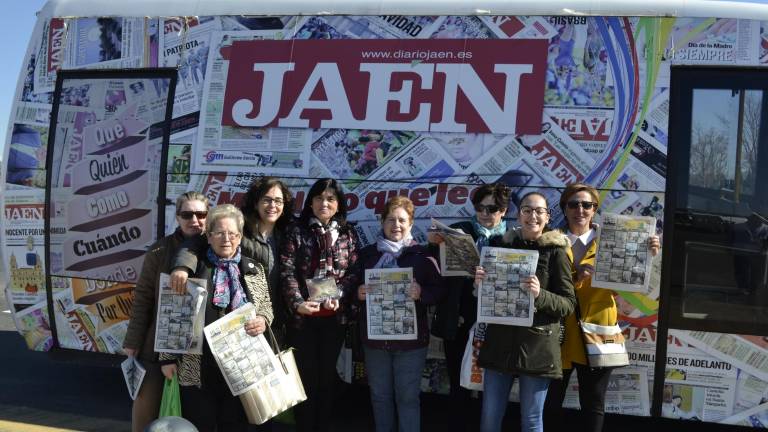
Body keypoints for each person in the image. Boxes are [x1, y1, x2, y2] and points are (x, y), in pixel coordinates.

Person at [545, 183, 660, 432]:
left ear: (595, 209)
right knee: (551, 403)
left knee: (594, 404)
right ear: (564, 208)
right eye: (573, 204)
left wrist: (646, 255)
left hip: (599, 329)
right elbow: (543, 287)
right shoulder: (551, 242)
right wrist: (575, 277)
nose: (580, 210)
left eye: (587, 205)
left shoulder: (616, 238)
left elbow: (634, 283)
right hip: (560, 331)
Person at [160, 204, 273, 432]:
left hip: (241, 365)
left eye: (232, 234)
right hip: (199, 365)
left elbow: (267, 306)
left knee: (235, 424)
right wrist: (167, 359)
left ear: (240, 237)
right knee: (200, 423)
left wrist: (262, 319)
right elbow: (172, 313)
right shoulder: (194, 269)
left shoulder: (253, 269)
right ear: (208, 237)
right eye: (220, 233)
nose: (226, 239)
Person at [477, 191, 576, 432]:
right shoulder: (500, 245)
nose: (533, 216)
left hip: (536, 349)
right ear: (518, 215)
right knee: (489, 420)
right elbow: (486, 296)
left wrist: (539, 294)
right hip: (499, 344)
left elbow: (568, 304)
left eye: (539, 211)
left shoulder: (557, 252)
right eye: (527, 210)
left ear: (547, 216)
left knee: (531, 421)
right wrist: (480, 282)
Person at [353, 196, 443, 432]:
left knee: (408, 399)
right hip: (375, 340)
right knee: (380, 397)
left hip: (411, 343)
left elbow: (438, 290)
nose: (396, 225)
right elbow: (350, 286)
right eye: (391, 219)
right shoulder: (367, 255)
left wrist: (421, 293)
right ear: (382, 223)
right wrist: (358, 292)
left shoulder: (423, 256)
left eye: (402, 220)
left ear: (411, 224)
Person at [122, 191, 209, 432]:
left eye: (201, 214)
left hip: (196, 351)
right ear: (178, 217)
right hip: (156, 343)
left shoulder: (215, 248)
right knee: (147, 411)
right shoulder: (159, 251)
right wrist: (133, 341)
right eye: (187, 214)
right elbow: (143, 299)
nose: (195, 220)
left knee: (190, 417)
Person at [171, 176, 294, 343]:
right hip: (214, 338)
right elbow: (195, 243)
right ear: (256, 202)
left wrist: (265, 317)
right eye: (267, 200)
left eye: (278, 201)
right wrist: (182, 266)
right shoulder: (235, 226)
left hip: (270, 322)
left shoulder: (288, 234)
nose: (273, 205)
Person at [428, 182, 511, 430]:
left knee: (492, 383)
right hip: (460, 316)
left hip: (495, 320)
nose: (485, 214)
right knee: (459, 381)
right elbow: (435, 268)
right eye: (480, 208)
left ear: (504, 210)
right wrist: (434, 243)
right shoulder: (458, 230)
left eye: (492, 208)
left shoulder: (512, 238)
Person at [280, 178, 359, 432]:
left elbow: (354, 272)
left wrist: (342, 294)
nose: (324, 203)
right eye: (318, 198)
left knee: (326, 379)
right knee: (305, 378)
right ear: (311, 202)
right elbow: (287, 270)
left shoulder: (348, 233)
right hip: (303, 319)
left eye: (330, 199)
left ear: (338, 204)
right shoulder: (296, 230)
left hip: (334, 319)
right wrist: (298, 303)